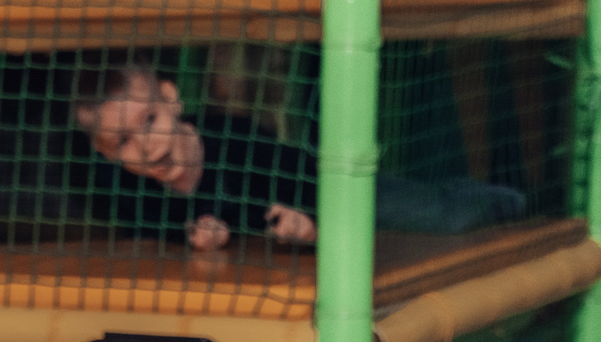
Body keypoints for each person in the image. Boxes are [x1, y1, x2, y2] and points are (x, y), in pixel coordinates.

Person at [72, 60, 525, 248]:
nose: (146, 145)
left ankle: (496, 198)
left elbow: (297, 181)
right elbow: (156, 230)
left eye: (149, 121)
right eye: (124, 142)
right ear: (106, 153)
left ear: (171, 99)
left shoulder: (234, 138)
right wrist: (197, 232)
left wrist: (309, 224)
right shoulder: (127, 195)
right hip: (277, 256)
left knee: (442, 217)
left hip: (329, 192)